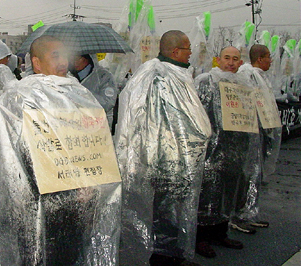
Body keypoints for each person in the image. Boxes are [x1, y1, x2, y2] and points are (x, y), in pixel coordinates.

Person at [0, 35, 122, 265]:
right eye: (55, 56)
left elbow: (92, 141)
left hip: (75, 193)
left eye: (65, 56)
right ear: (36, 63)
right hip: (35, 193)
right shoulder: (19, 96)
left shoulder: (79, 93)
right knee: (37, 251)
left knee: (70, 250)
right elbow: (8, 149)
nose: (62, 61)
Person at [115, 30, 212, 266]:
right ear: (175, 51)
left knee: (174, 209)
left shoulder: (176, 75)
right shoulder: (156, 76)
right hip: (160, 158)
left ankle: (172, 254)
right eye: (188, 48)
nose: (191, 53)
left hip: (176, 157)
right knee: (161, 211)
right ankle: (162, 257)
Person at [194, 46, 255, 258]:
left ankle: (220, 232)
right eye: (227, 58)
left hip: (234, 149)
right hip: (211, 149)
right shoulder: (205, 81)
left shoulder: (243, 84)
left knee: (227, 193)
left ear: (240, 62)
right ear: (218, 60)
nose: (230, 62)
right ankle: (200, 238)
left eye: (235, 59)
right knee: (207, 193)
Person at [230, 44, 282, 231]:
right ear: (260, 58)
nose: (271, 60)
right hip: (249, 135)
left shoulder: (259, 76)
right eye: (268, 56)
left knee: (255, 175)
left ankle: (249, 212)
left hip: (259, 135)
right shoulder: (249, 75)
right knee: (247, 175)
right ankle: (239, 215)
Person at [70, 53, 118, 130]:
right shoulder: (68, 75)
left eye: (79, 59)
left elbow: (107, 103)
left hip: (98, 127)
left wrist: (83, 94)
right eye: (72, 59)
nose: (75, 62)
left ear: (89, 59)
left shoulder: (104, 76)